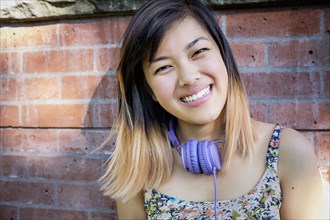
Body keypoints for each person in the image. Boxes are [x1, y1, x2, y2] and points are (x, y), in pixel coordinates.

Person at [99, 0, 326, 219]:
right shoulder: (138, 169)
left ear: (223, 55)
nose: (188, 77)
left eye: (198, 52)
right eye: (164, 67)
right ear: (149, 90)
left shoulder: (287, 151)